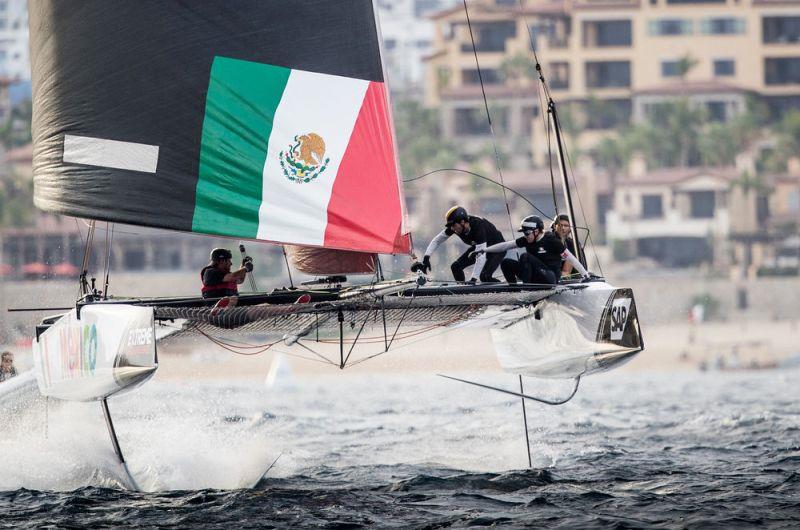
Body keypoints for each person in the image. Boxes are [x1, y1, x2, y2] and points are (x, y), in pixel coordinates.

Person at [478, 215, 589, 285]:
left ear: (537, 231)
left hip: (550, 278)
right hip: (534, 276)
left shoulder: (551, 240)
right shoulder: (528, 239)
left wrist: (585, 274)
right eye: (524, 233)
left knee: (525, 256)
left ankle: (526, 290)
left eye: (527, 233)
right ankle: (514, 289)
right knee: (506, 262)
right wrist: (484, 250)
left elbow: (570, 258)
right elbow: (505, 245)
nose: (526, 236)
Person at [412, 206, 504, 283]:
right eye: (451, 226)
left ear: (463, 222)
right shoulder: (455, 227)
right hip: (481, 248)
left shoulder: (477, 227)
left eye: (453, 225)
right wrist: (426, 258)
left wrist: (473, 279)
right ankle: (463, 293)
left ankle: (505, 289)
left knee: (485, 277)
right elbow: (437, 241)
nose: (452, 228)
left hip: (497, 248)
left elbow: (481, 256)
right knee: (456, 267)